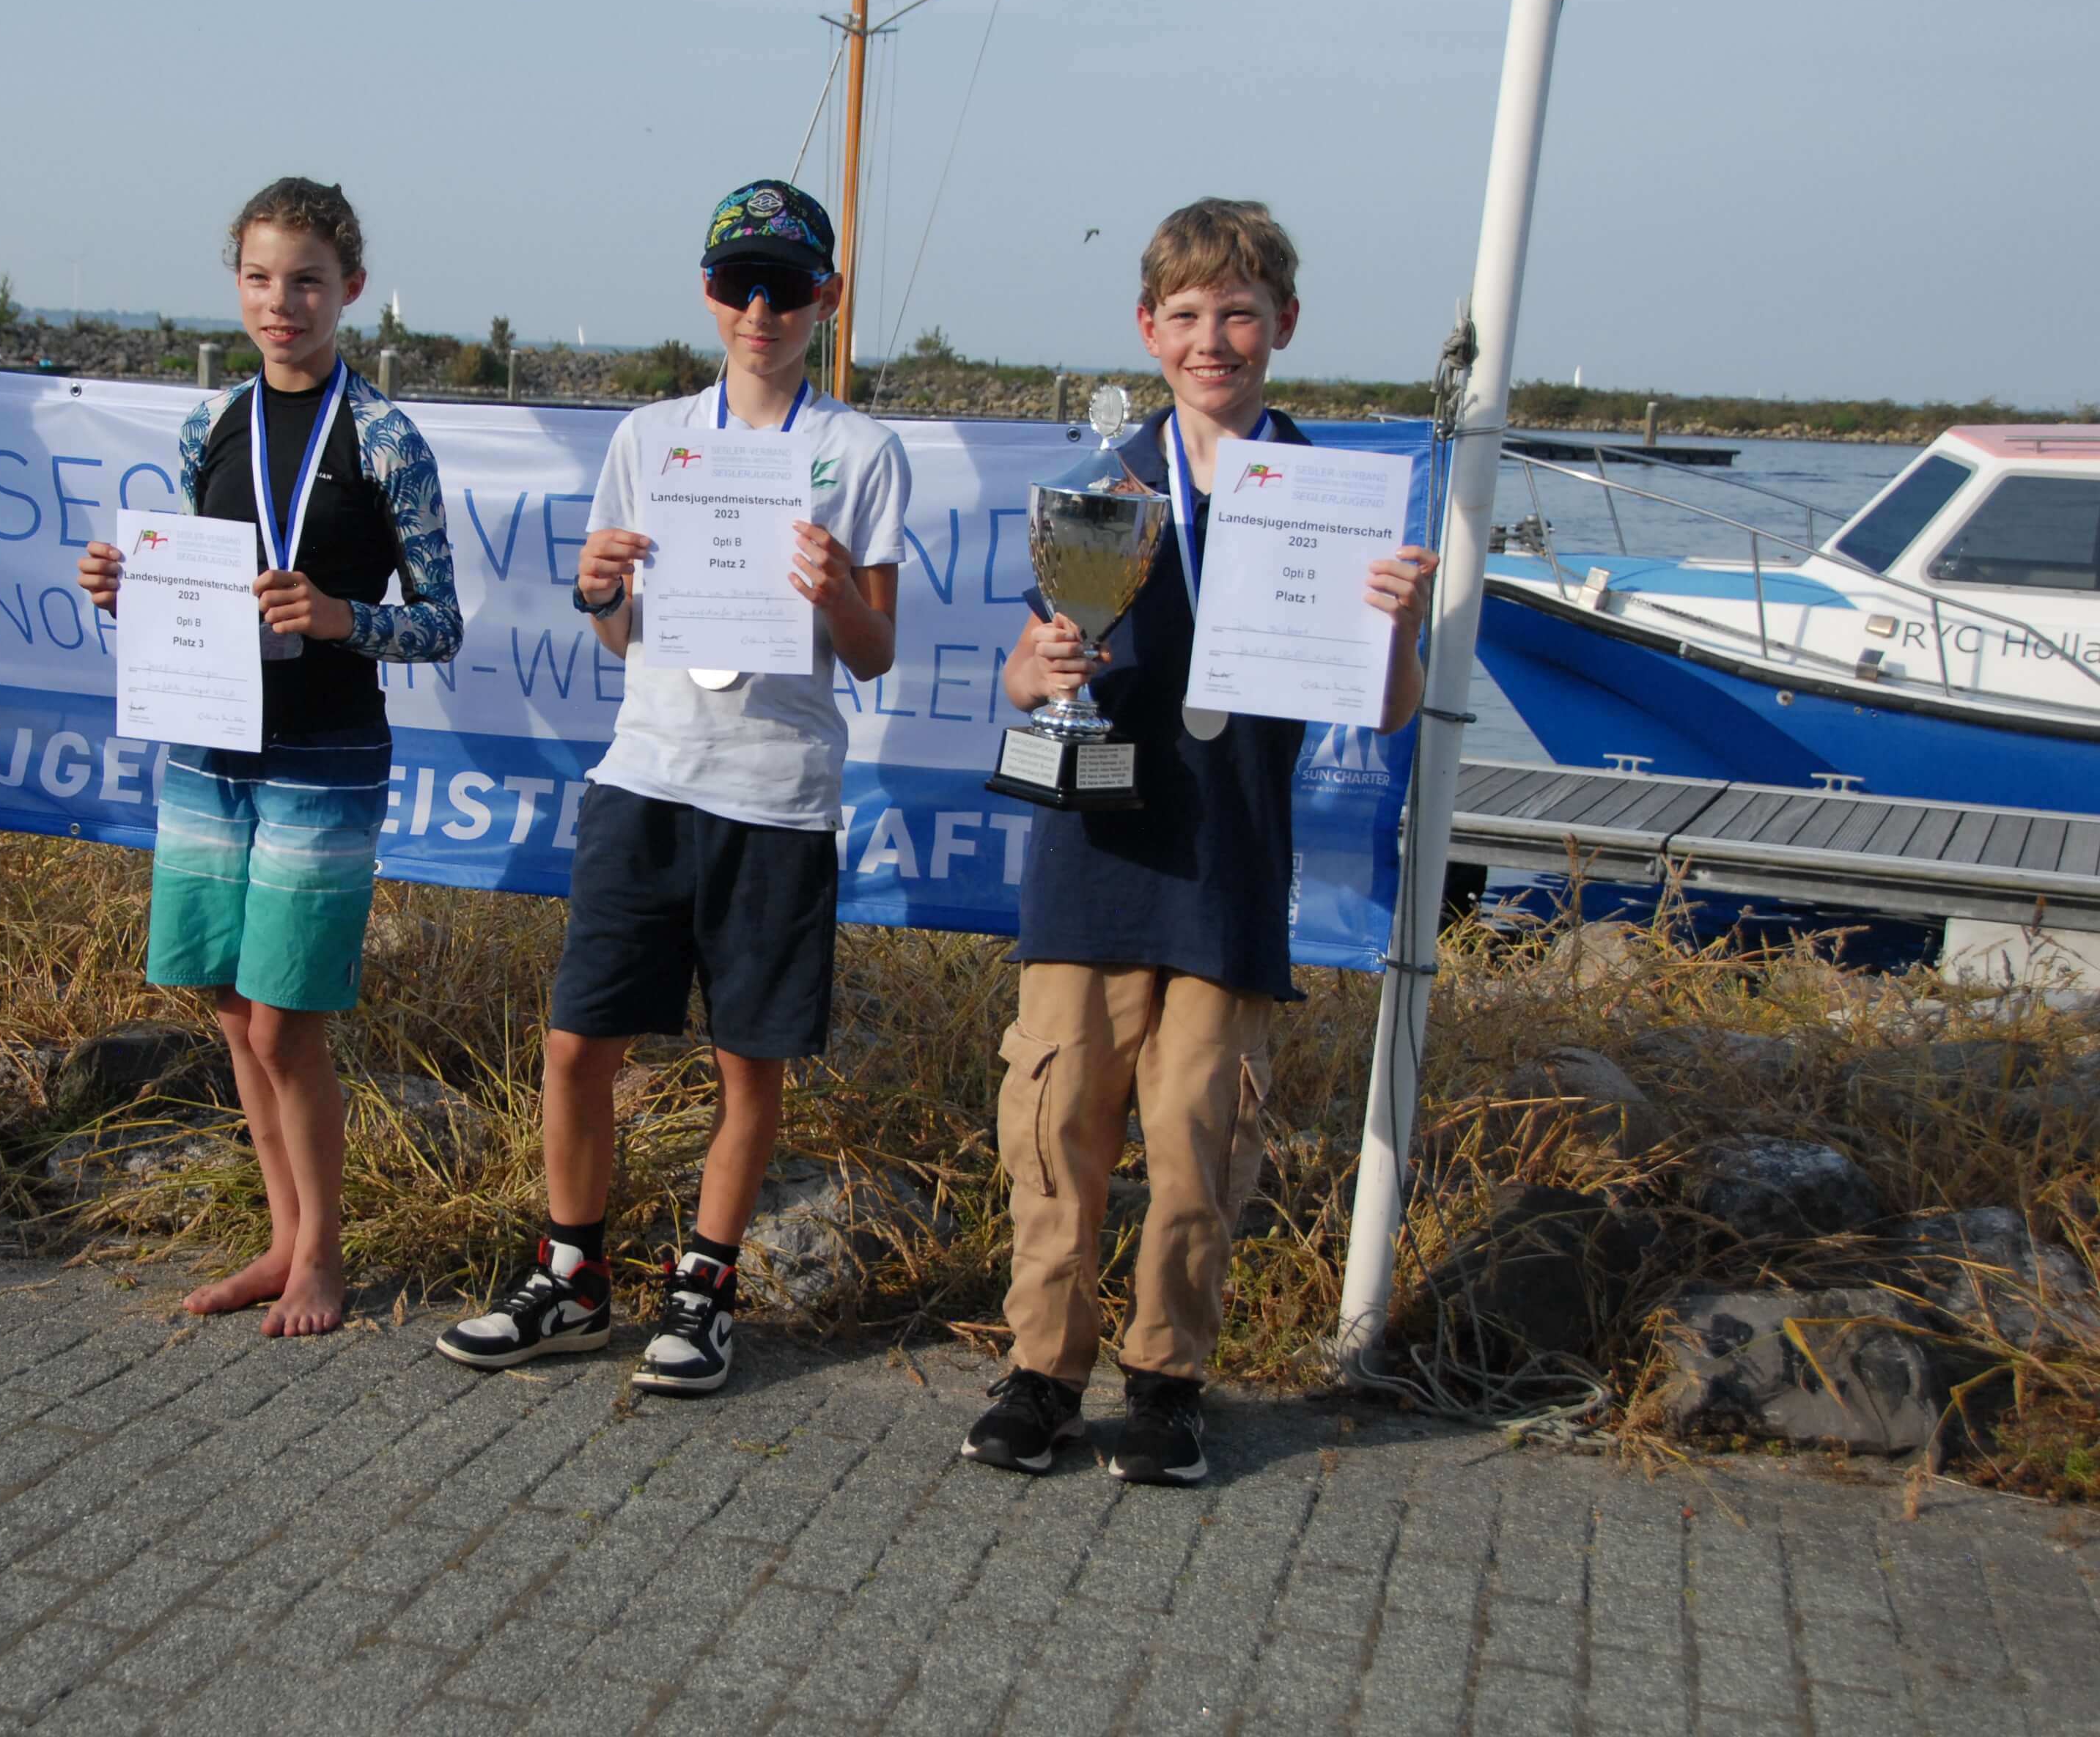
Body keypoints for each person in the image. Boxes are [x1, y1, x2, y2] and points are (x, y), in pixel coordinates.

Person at [961, 198, 1437, 1482]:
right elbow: (1016, 681)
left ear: (1284, 324)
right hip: (1092, 855)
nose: (1211, 337)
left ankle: (1167, 1384)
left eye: (1237, 312)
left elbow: (1387, 707)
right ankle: (1042, 1375)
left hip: (1228, 865)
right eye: (1185, 316)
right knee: (1056, 1123)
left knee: (1195, 1133)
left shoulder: (1329, 497)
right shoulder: (1104, 489)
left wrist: (1397, 619)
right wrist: (1044, 658)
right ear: (1147, 331)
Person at [436, 180, 910, 1396]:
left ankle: (703, 1293)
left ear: (827, 299)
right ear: (708, 296)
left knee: (749, 1065)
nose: (762, 308)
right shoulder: (651, 438)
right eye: (740, 284)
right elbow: (616, 636)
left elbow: (875, 653)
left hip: (777, 796)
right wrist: (600, 591)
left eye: (789, 286)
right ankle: (571, 1278)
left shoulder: (860, 451)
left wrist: (835, 596)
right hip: (644, 780)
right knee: (576, 1044)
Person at [78, 178, 462, 1338]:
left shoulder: (388, 440)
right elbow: (198, 602)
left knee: (288, 1016)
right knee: (231, 1008)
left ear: (350, 287)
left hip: (326, 755)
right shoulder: (209, 425)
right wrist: (125, 592)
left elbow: (441, 623)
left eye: (305, 279)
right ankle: (283, 1237)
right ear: (235, 285)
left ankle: (325, 1258)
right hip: (211, 745)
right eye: (258, 277)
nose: (280, 301)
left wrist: (343, 616)